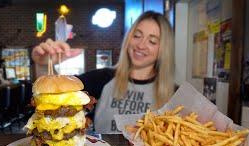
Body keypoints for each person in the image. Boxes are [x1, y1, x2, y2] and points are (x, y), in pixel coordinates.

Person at [31, 11, 175, 134]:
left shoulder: (175, 93)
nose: (141, 45)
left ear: (163, 49)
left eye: (152, 41)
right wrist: (44, 65)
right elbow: (54, 98)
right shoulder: (103, 78)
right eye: (137, 36)